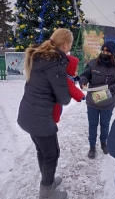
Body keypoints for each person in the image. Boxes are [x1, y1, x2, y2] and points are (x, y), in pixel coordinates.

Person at [17, 28, 73, 199]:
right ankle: (46, 192)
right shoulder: (55, 64)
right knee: (52, 154)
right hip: (39, 119)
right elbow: (64, 99)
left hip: (28, 114)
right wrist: (69, 82)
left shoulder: (41, 56)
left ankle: (46, 181)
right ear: (64, 45)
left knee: (43, 152)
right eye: (69, 46)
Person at [79, 41, 115, 159]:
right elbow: (84, 75)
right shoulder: (92, 64)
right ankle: (92, 147)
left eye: (107, 52)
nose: (104, 54)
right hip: (92, 102)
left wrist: (111, 90)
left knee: (105, 125)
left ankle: (103, 143)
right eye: (103, 51)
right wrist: (83, 82)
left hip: (107, 103)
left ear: (112, 53)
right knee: (92, 125)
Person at [52, 55, 85, 123]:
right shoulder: (66, 78)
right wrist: (81, 96)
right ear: (70, 67)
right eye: (76, 67)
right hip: (56, 102)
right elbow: (72, 88)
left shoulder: (65, 76)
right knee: (56, 113)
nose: (78, 68)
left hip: (57, 100)